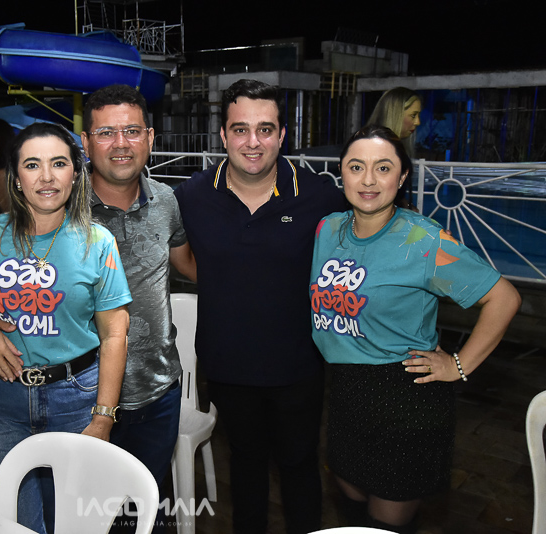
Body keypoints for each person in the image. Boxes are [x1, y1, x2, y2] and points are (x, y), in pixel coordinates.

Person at [309, 125, 521, 533]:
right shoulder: (328, 230)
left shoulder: (422, 240)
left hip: (405, 399)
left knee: (386, 524)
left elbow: (504, 298)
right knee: (351, 506)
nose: (368, 180)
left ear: (402, 175)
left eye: (383, 168)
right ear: (342, 173)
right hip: (347, 393)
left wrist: (458, 365)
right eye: (356, 167)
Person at [173, 79, 348, 534]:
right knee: (245, 465)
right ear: (223, 135)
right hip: (227, 367)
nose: (253, 142)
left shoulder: (320, 196)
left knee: (299, 466)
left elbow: (365, 240)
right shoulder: (191, 196)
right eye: (241, 129)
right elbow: (187, 261)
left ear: (282, 135)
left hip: (299, 365)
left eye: (265, 129)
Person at [0, 122, 132, 533]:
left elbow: (115, 334)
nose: (46, 177)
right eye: (32, 165)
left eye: (58, 163)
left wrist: (103, 418)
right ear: (15, 176)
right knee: (11, 524)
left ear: (75, 173)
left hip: (76, 399)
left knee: (79, 524)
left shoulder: (97, 242)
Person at [80, 84, 196, 532]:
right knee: (88, 516)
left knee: (144, 511)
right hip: (81, 396)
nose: (121, 144)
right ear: (86, 142)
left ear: (150, 138)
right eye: (105, 132)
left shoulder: (166, 200)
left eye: (131, 131)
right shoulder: (62, 207)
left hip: (157, 389)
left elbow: (189, 265)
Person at [366, 87, 422, 208]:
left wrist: (403, 204)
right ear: (396, 115)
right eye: (413, 115)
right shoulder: (375, 148)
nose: (418, 122)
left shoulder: (393, 146)